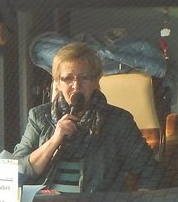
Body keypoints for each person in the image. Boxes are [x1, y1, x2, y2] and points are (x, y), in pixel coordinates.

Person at [13, 42, 161, 193]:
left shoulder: (119, 121)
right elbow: (17, 169)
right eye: (68, 78)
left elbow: (150, 171)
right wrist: (54, 140)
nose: (76, 86)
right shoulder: (39, 117)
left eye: (84, 78)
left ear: (96, 81)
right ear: (57, 82)